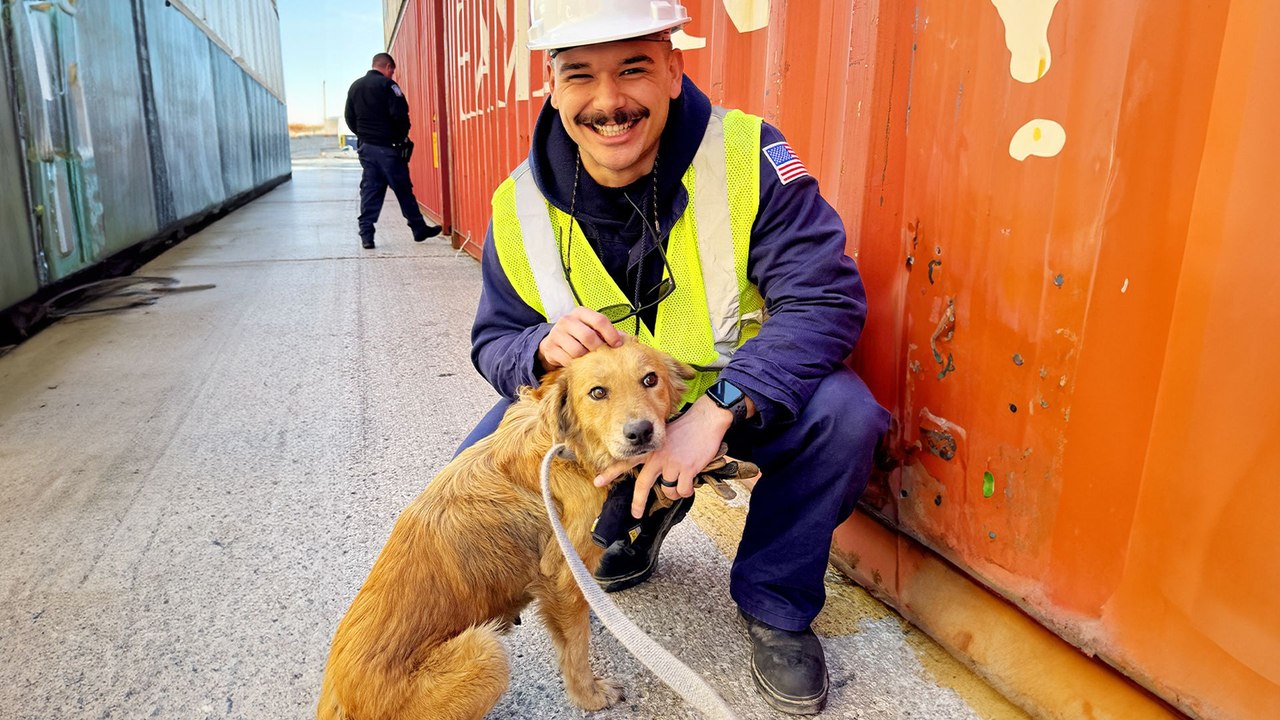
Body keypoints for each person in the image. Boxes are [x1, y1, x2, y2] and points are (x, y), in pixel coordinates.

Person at [461, 2, 889, 714]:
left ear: (672, 68)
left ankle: (777, 605)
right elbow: (493, 339)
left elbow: (825, 300)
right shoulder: (519, 204)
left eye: (633, 69)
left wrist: (716, 411)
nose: (608, 102)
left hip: (735, 401)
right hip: (606, 421)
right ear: (552, 87)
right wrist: (534, 348)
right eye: (580, 77)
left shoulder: (746, 156)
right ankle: (636, 519)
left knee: (845, 416)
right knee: (471, 474)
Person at [343, 53, 441, 249]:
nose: (392, 75)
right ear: (387, 67)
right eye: (392, 71)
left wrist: (364, 135)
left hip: (367, 149)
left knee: (370, 190)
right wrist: (400, 137)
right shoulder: (388, 86)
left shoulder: (355, 86)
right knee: (403, 189)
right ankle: (418, 228)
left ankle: (367, 235)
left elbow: (349, 117)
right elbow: (400, 115)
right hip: (388, 149)